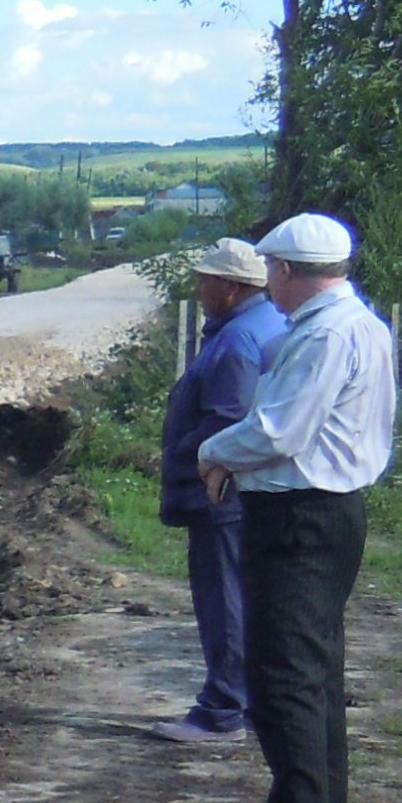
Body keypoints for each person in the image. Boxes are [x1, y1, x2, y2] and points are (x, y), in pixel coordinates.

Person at [197, 212, 397, 803]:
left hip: (299, 516)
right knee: (315, 677)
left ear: (285, 272)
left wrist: (214, 452)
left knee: (285, 680)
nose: (267, 288)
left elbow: (280, 431)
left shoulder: (322, 336)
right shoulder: (360, 324)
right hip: (328, 512)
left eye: (270, 274)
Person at [153, 238, 287, 743]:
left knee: (224, 597)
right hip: (249, 491)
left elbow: (227, 421)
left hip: (222, 493)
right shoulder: (266, 325)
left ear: (232, 287)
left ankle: (223, 710)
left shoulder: (236, 342)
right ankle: (247, 700)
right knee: (246, 596)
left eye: (206, 278)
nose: (199, 286)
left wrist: (184, 455)